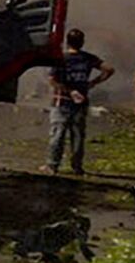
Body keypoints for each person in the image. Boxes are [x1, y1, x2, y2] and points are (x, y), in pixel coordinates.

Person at [46, 28, 114, 175]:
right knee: (77, 136)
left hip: (62, 101)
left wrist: (69, 91)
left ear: (67, 42)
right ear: (82, 42)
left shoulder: (60, 58)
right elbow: (109, 70)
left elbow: (52, 80)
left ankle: (52, 166)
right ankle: (77, 167)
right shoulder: (88, 58)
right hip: (81, 102)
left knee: (58, 134)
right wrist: (92, 83)